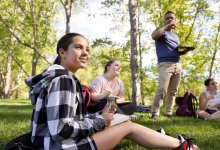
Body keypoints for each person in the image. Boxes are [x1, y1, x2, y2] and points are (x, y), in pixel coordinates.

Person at [25, 33, 199, 150]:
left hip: (52, 143)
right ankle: (184, 146)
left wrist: (101, 117)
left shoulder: (62, 77)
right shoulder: (63, 80)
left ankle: (172, 142)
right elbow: (61, 130)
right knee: (127, 127)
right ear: (62, 52)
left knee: (122, 122)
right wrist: (100, 120)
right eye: (78, 47)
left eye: (87, 49)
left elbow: (69, 121)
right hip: (56, 147)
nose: (85, 53)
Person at [150, 11, 194, 120]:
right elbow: (154, 36)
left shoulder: (176, 37)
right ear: (164, 20)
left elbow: (175, 51)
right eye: (167, 18)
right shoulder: (160, 31)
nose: (170, 20)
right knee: (162, 89)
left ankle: (168, 113)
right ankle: (155, 113)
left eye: (172, 18)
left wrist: (185, 51)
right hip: (165, 65)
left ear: (175, 20)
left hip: (177, 64)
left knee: (173, 91)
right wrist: (167, 26)